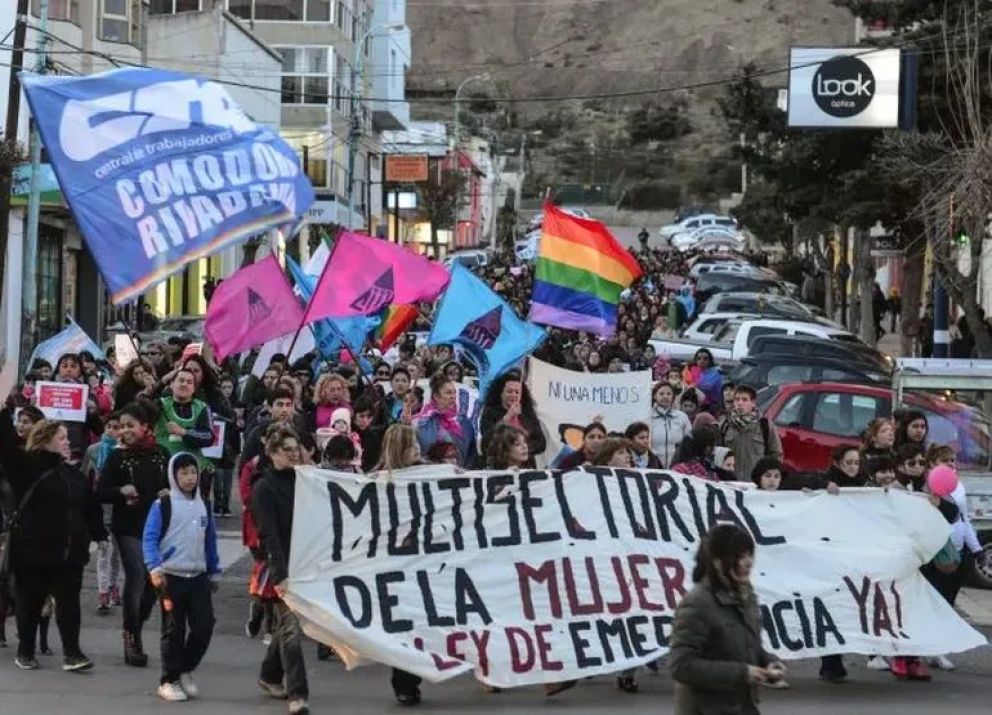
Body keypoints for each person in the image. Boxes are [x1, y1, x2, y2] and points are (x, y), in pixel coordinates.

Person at [0, 414, 106, 672]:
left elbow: (89, 505)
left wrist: (99, 533)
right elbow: (3, 446)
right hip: (33, 551)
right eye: (61, 438)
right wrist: (3, 408)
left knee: (69, 604)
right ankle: (26, 651)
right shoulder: (25, 467)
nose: (67, 442)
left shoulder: (73, 474)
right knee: (31, 603)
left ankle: (73, 653)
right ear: (44, 440)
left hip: (70, 552)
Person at [669, 523, 786, 714]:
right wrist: (743, 673)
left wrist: (769, 663)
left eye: (750, 555)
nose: (748, 562)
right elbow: (681, 665)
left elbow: (748, 647)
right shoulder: (697, 603)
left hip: (743, 707)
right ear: (717, 562)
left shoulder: (746, 596)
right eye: (739, 556)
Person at [98, 402, 171, 667]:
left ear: (145, 427)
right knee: (136, 575)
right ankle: (132, 640)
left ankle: (135, 626)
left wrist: (167, 493)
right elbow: (101, 491)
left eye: (130, 426)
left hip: (156, 527)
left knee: (153, 583)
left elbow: (173, 484)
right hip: (128, 525)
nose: (124, 431)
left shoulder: (161, 454)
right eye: (121, 427)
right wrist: (120, 491)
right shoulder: (117, 457)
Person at [142, 453, 220, 701]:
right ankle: (169, 680)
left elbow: (209, 540)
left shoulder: (203, 505)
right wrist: (154, 567)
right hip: (170, 577)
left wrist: (213, 569)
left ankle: (185, 668)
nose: (189, 478)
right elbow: (150, 538)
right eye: (183, 473)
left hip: (197, 577)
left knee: (204, 626)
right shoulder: (162, 505)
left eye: (192, 472)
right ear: (173, 475)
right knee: (173, 631)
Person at [253, 427, 311, 715]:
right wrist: (279, 574)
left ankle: (269, 673)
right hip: (283, 565)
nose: (293, 453)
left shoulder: (304, 480)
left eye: (295, 448)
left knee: (287, 625)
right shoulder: (264, 487)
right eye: (286, 449)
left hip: (306, 563)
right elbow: (269, 533)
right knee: (290, 630)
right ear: (272, 453)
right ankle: (298, 694)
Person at [478, 372, 546, 465]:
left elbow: (541, 443)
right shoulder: (489, 412)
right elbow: (486, 442)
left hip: (526, 466)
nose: (514, 395)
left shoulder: (527, 413)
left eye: (517, 392)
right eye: (509, 391)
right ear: (501, 393)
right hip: (500, 467)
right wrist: (508, 417)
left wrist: (521, 451)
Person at [719, 385, 782, 481]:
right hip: (730, 484)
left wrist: (768, 479)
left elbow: (776, 454)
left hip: (754, 484)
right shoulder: (725, 424)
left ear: (753, 403)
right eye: (737, 400)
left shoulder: (764, 425)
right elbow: (718, 454)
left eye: (744, 400)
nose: (740, 403)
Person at [415, 373, 477, 467]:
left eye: (454, 393)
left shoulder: (463, 421)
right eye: (448, 393)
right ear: (436, 396)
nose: (453, 396)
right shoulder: (424, 421)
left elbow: (471, 451)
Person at [650, 382, 692, 468]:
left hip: (677, 467)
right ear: (654, 396)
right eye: (661, 394)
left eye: (668, 394)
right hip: (654, 466)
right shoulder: (647, 417)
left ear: (673, 396)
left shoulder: (682, 416)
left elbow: (689, 441)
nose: (665, 396)